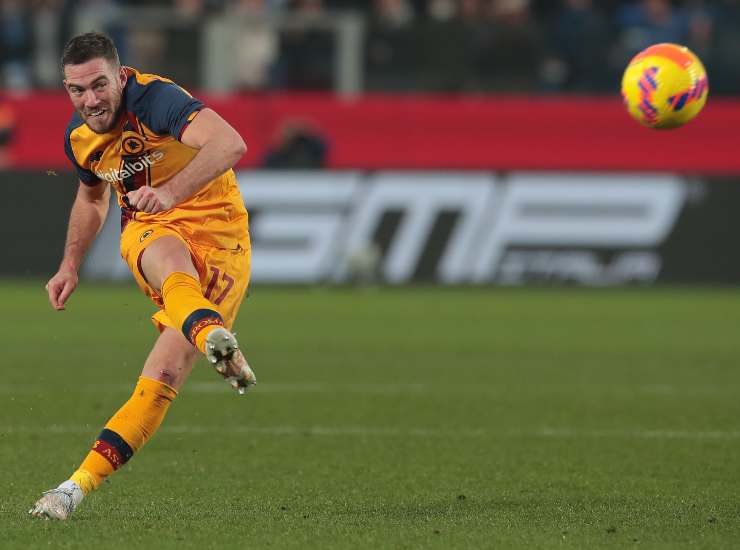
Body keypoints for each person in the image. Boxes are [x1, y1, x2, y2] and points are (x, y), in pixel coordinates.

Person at [29, 31, 256, 520]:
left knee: (163, 376)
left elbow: (230, 143)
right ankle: (72, 490)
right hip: (151, 228)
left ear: (120, 74)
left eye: (98, 85)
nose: (90, 100)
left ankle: (207, 333)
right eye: (76, 90)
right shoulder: (79, 139)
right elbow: (92, 199)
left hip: (223, 236)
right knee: (166, 254)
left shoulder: (156, 99)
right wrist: (70, 263)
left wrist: (171, 192)